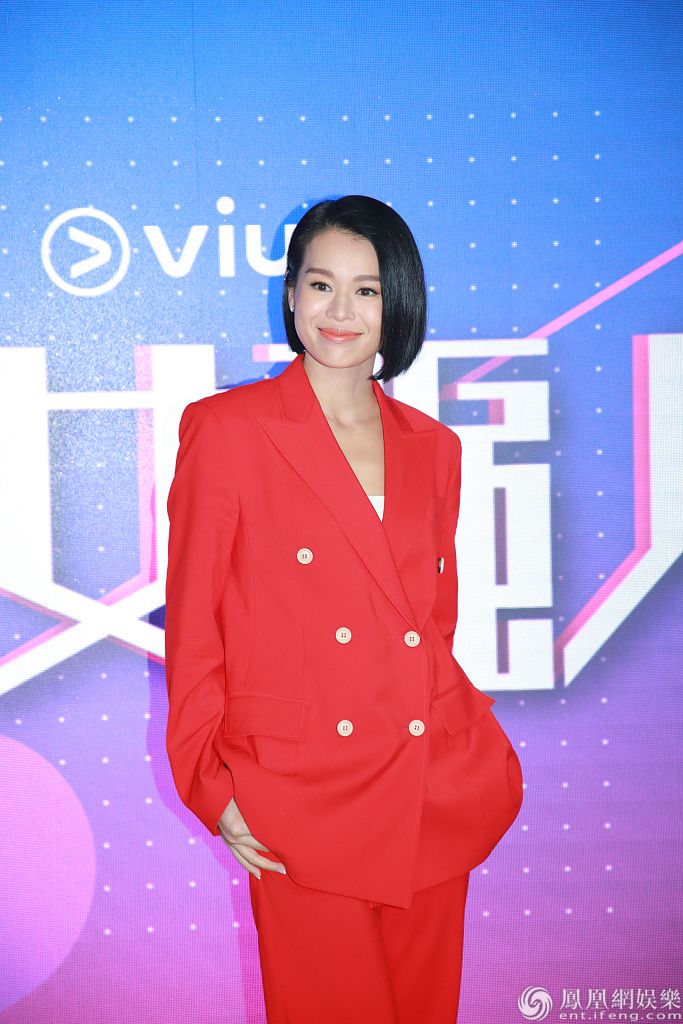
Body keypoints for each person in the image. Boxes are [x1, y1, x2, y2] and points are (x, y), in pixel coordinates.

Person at [164, 195, 524, 1024]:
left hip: (428, 788)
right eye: (321, 284)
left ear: (398, 304)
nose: (340, 311)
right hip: (297, 798)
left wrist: (473, 755)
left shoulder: (434, 447)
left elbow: (430, 625)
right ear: (290, 294)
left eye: (366, 291)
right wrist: (210, 783)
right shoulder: (227, 429)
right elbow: (194, 623)